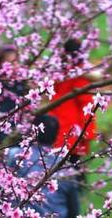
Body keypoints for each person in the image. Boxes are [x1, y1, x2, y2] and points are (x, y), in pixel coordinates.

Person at [6, 115, 79, 217]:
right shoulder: (66, 168)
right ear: (56, 137)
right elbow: (74, 209)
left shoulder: (14, 155)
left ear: (33, 131)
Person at [49, 39, 96, 184]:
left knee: (62, 162)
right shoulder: (81, 77)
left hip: (58, 123)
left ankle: (68, 190)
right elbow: (87, 105)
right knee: (74, 161)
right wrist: (88, 131)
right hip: (74, 125)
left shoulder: (59, 73)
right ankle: (75, 191)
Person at [0, 45, 28, 143]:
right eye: (8, 55)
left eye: (13, 55)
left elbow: (24, 89)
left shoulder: (20, 72)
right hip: (0, 110)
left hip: (16, 110)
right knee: (0, 136)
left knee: (14, 137)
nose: (10, 57)